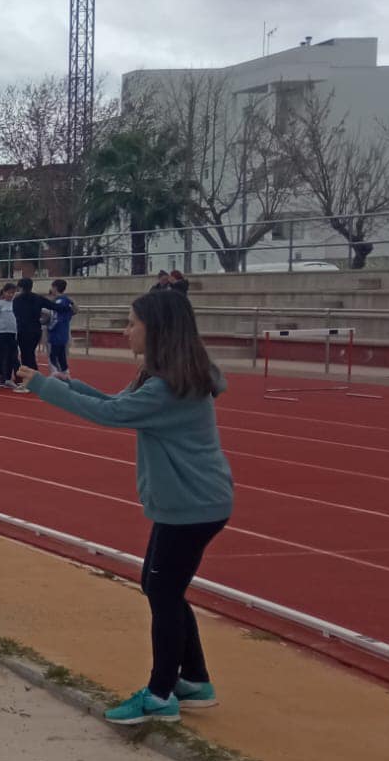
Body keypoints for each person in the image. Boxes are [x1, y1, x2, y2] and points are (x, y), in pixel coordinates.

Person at [20, 292, 234, 726]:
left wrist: (43, 387)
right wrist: (67, 385)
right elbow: (115, 405)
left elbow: (111, 417)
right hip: (187, 502)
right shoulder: (163, 377)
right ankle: (193, 680)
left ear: (157, 330)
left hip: (193, 504)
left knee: (163, 591)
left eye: (132, 323)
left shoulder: (167, 388)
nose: (125, 331)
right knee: (161, 588)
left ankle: (160, 694)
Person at [11, 277, 57, 378]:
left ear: (21, 287)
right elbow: (53, 306)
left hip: (22, 329)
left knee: (25, 355)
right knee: (30, 353)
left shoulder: (17, 300)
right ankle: (33, 376)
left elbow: (14, 313)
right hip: (35, 329)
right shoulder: (38, 298)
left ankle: (31, 377)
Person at [0, 282, 21, 390]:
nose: (11, 295)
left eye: (13, 293)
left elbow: (17, 318)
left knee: (12, 357)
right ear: (4, 292)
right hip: (1, 333)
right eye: (8, 293)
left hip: (12, 333)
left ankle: (8, 378)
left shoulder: (15, 303)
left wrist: (17, 332)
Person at [46, 278, 76, 375]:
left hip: (56, 331)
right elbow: (74, 311)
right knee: (61, 354)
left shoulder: (58, 302)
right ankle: (65, 372)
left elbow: (55, 317)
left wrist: (50, 327)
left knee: (53, 354)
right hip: (64, 331)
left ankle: (55, 373)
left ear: (55, 287)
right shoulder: (67, 301)